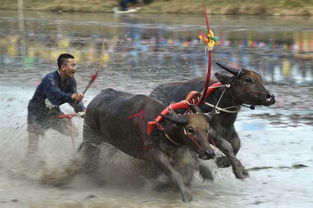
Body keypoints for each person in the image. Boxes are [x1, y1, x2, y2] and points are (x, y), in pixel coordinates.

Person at [26, 53, 85, 156]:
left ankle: (55, 148)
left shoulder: (71, 81)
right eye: (73, 65)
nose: (75, 69)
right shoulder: (49, 79)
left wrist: (83, 110)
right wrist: (72, 96)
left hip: (53, 113)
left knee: (74, 133)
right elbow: (55, 98)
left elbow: (74, 102)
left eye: (76, 66)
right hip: (36, 113)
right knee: (32, 150)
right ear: (63, 67)